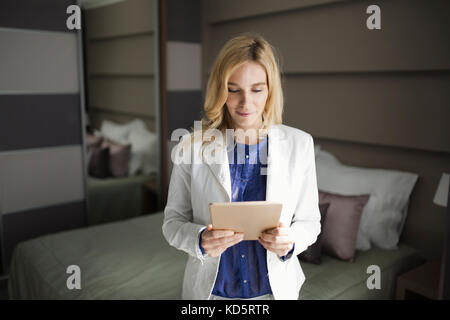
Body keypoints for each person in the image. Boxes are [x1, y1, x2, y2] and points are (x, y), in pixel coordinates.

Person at [162, 33, 321, 300]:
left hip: (275, 292)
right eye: (234, 90)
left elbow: (310, 222)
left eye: (257, 89)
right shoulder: (190, 147)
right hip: (212, 293)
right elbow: (172, 222)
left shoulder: (300, 144)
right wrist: (199, 239)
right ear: (220, 90)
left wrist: (291, 240)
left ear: (270, 90)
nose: (246, 103)